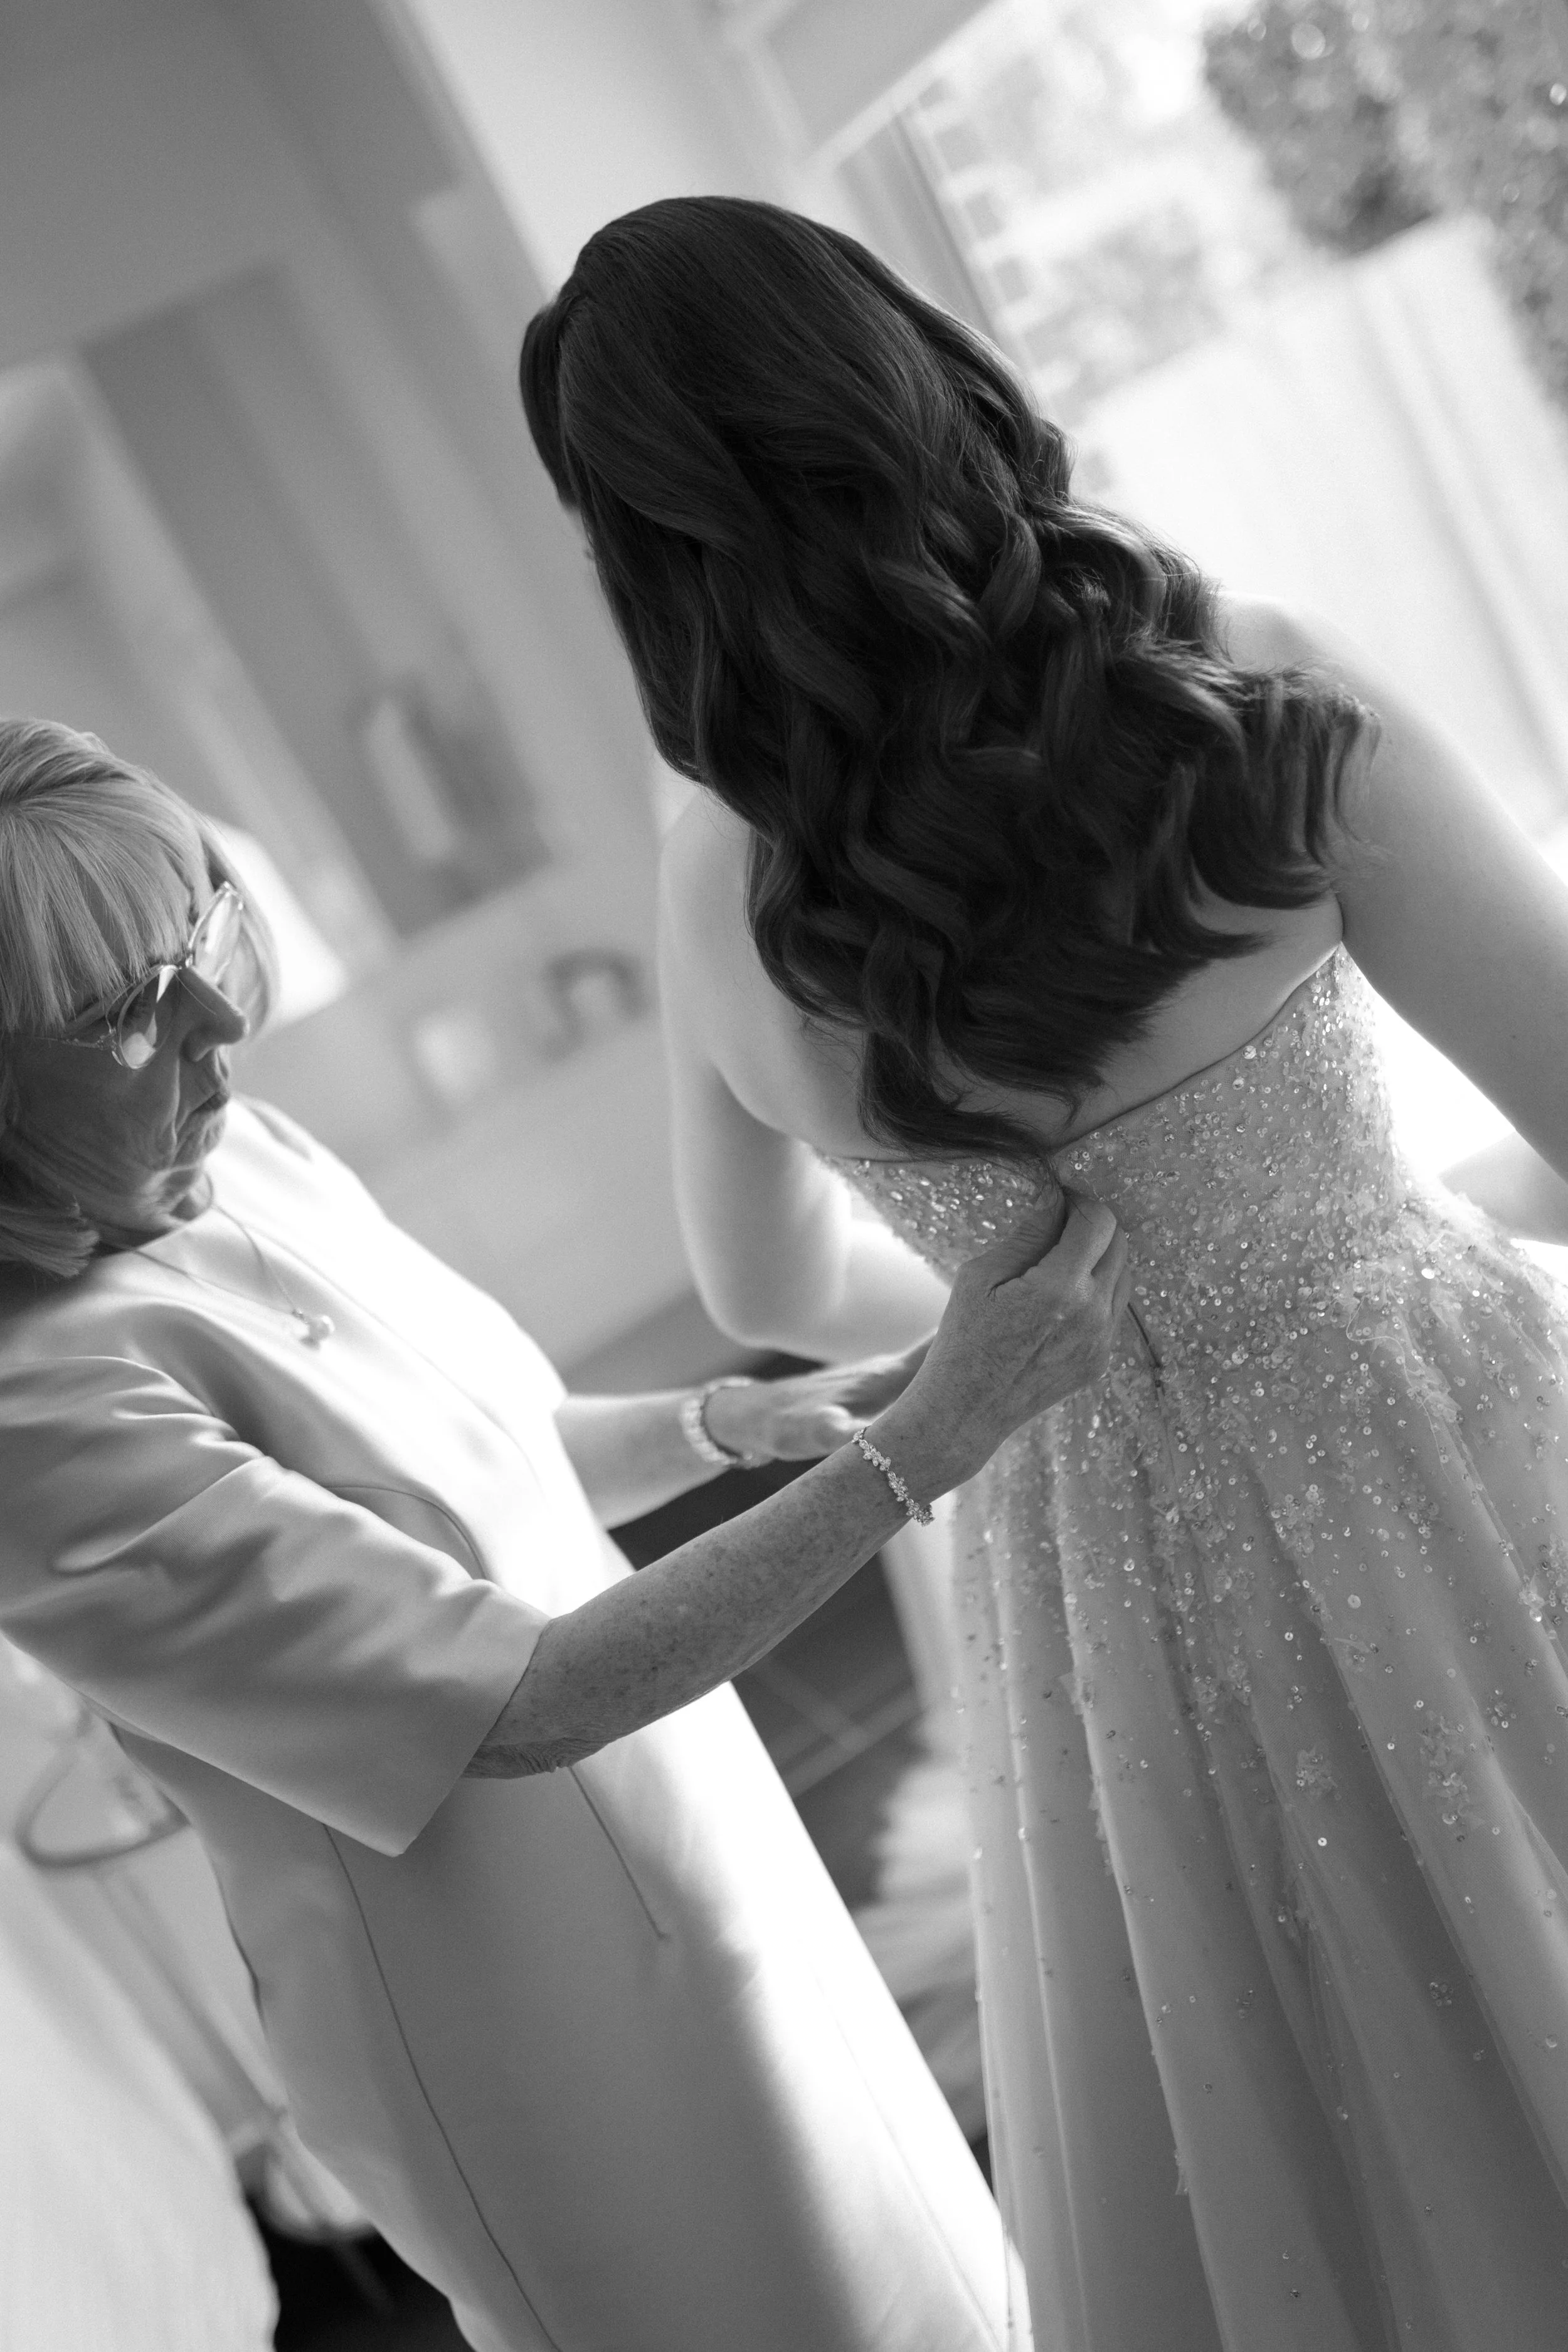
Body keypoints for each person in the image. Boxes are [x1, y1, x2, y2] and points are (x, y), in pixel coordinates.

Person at [521, 193, 1568, 2352]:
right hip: (1431, 1421)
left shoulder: (720, 885)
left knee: (1287, 2085)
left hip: (1095, 1533)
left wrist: (1023, 1325)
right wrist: (1342, 1224)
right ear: (916, 375)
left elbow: (759, 1272)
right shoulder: (1248, 704)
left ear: (644, 543)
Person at [0, 715, 1131, 2352]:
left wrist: (731, 1424)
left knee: (935, 2281)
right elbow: (509, 1701)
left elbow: (498, 1460)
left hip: (693, 1830)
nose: (219, 1028)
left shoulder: (234, 1153)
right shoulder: (39, 1417)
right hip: (520, 2014)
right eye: (122, 1014)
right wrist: (932, 1443)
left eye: (199, 947)